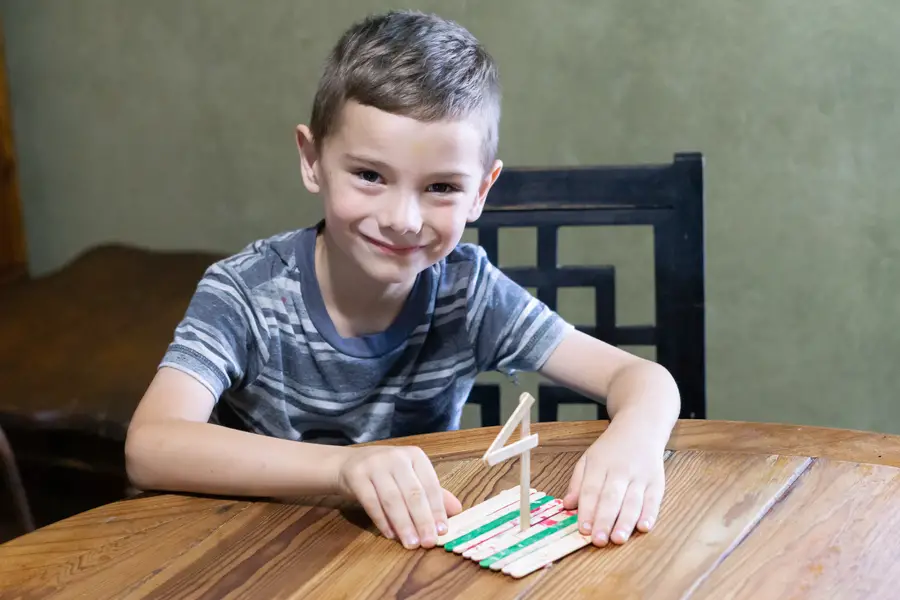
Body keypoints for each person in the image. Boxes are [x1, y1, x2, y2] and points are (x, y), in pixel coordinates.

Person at [124, 9, 680, 553]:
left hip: (404, 557)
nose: (403, 219)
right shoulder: (245, 293)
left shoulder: (469, 293)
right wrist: (345, 467)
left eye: (441, 187)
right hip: (257, 557)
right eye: (369, 176)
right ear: (312, 159)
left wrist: (635, 441)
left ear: (482, 192)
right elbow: (151, 444)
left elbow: (643, 379)